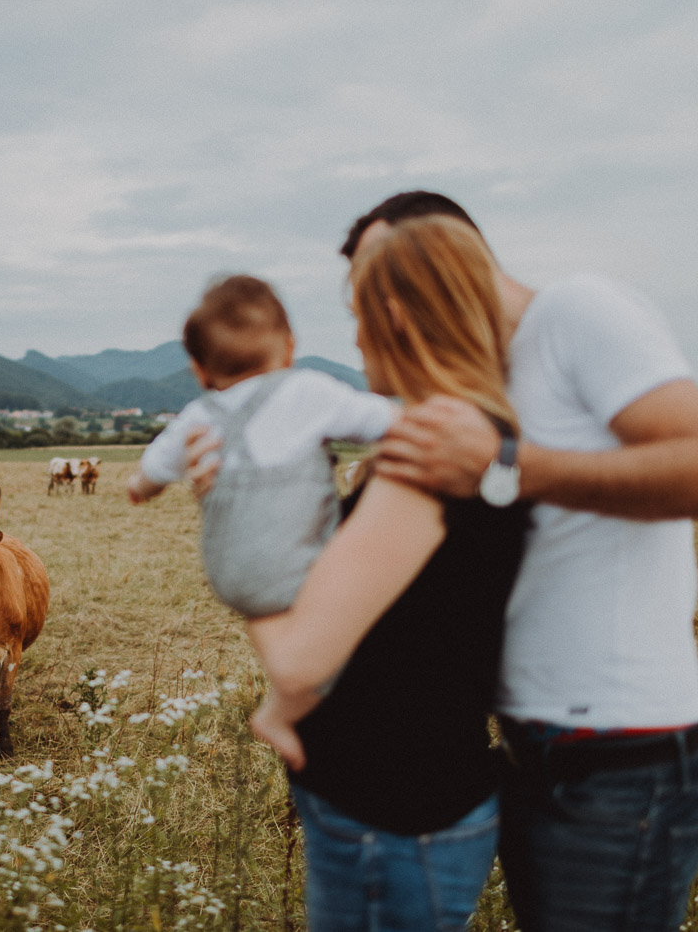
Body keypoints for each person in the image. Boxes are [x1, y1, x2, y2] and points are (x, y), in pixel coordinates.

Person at [321, 191, 698, 931]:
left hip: (620, 763)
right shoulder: (475, 383)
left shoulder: (577, 315)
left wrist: (508, 465)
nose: (376, 312)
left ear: (451, 250)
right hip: (527, 756)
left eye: (387, 278)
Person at [241, 215, 533, 931]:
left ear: (395, 316)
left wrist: (239, 539)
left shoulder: (426, 459)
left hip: (391, 813)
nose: (356, 337)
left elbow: (302, 659)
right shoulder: (478, 432)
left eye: (357, 314)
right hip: (416, 801)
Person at [127, 274, 399, 619]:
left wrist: (138, 488)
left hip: (230, 581)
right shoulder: (309, 392)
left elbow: (153, 470)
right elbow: (385, 420)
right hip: (308, 573)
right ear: (290, 347)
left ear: (198, 370)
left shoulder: (198, 416)